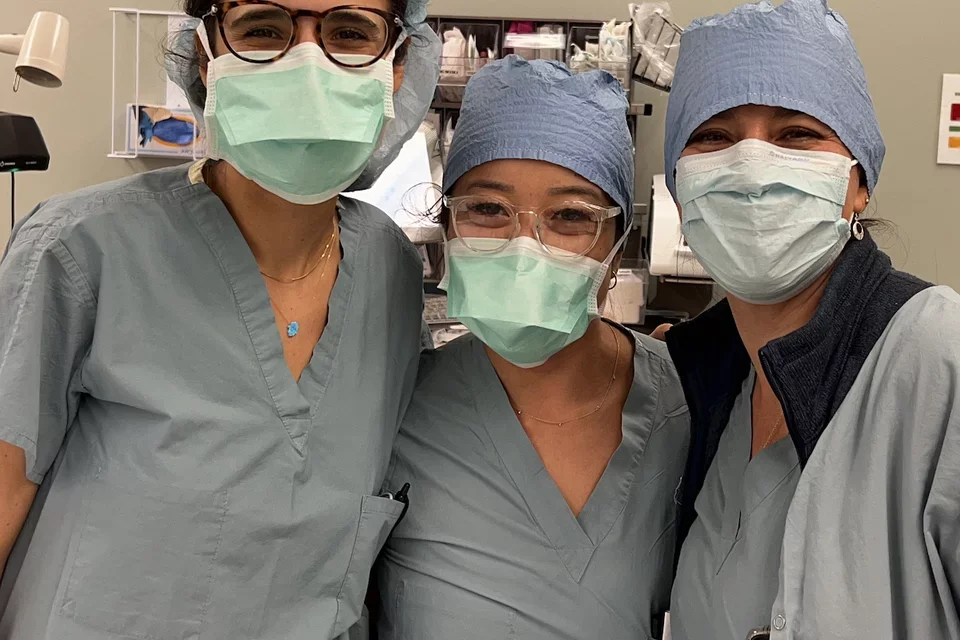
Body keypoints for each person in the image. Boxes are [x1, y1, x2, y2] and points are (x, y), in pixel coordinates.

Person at [0, 1, 440, 638]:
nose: (307, 61)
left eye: (350, 33)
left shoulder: (389, 270)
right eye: (263, 28)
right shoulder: (81, 248)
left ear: (399, 66)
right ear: (204, 54)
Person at [660, 1, 960, 638]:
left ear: (858, 184)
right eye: (713, 136)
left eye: (797, 134)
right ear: (681, 189)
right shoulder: (703, 384)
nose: (750, 164)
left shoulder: (937, 354)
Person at [376, 56, 690, 640]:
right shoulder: (399, 405)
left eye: (570, 216)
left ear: (618, 249)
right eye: (488, 209)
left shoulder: (687, 406)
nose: (526, 246)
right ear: (447, 226)